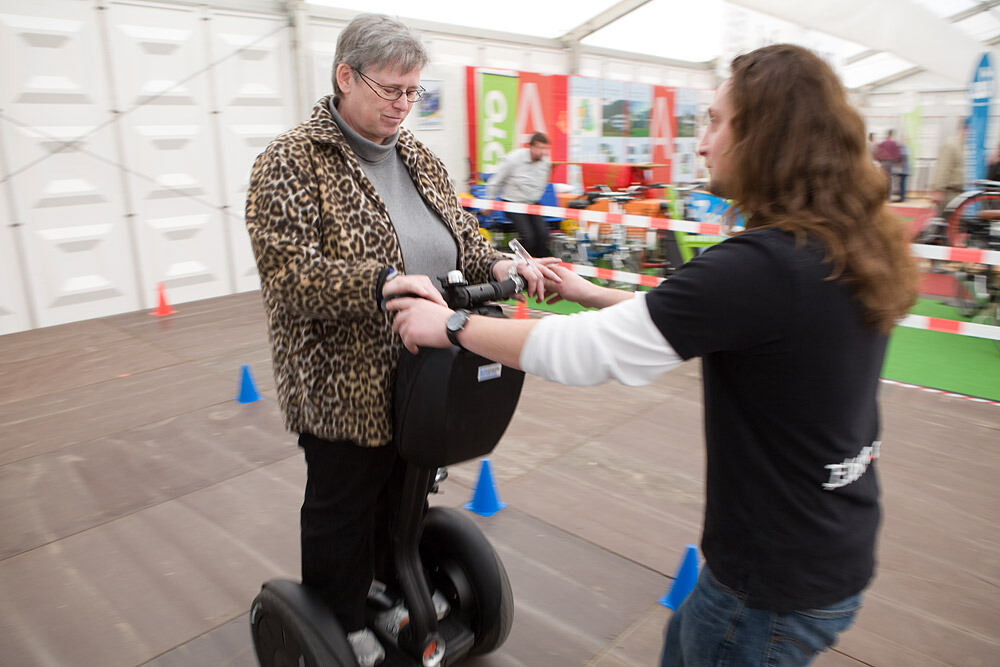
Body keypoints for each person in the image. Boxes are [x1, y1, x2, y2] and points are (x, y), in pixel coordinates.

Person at [386, 44, 918, 666]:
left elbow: (586, 354)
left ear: (766, 135)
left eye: (716, 122)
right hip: (835, 548)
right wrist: (587, 292)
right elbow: (698, 315)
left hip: (769, 581)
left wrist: (451, 324)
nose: (701, 143)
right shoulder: (843, 242)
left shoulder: (761, 266)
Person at [244, 13, 555, 667]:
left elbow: (461, 236)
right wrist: (384, 282)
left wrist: (496, 265)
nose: (404, 105)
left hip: (426, 376)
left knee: (408, 491)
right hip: (341, 386)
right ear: (344, 76)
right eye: (393, 90)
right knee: (345, 505)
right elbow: (288, 275)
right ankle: (340, 618)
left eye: (414, 92)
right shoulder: (291, 162)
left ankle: (389, 589)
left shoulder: (417, 155)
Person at [485, 132, 553, 258]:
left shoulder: (546, 163)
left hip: (532, 203)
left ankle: (541, 265)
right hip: (513, 203)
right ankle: (517, 262)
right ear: (531, 147)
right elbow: (496, 181)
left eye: (545, 148)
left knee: (543, 235)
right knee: (529, 237)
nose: (542, 152)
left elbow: (542, 183)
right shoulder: (513, 159)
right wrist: (489, 203)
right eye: (539, 148)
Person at [933, 118, 967, 215]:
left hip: (962, 195)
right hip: (950, 194)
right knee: (947, 226)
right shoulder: (951, 145)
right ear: (964, 128)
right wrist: (938, 190)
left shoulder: (967, 147)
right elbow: (943, 169)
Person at [873, 129, 901, 198]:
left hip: (883, 162)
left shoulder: (882, 143)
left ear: (887, 134)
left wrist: (878, 159)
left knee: (882, 179)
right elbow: (897, 153)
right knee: (889, 179)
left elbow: (877, 152)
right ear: (892, 135)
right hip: (890, 163)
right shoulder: (894, 143)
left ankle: (882, 196)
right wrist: (897, 161)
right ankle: (889, 197)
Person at [893, 137, 910, 202]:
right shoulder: (905, 148)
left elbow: (901, 157)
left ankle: (902, 198)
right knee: (901, 183)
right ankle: (901, 195)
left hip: (903, 170)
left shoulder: (903, 149)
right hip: (903, 169)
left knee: (902, 184)